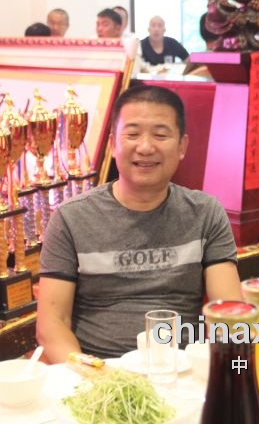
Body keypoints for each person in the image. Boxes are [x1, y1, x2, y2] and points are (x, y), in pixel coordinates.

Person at [36, 85, 243, 363]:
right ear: (113, 145)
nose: (145, 147)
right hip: (98, 369)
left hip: (180, 368)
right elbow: (53, 324)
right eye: (132, 134)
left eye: (160, 135)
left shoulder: (206, 214)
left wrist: (218, 370)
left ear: (182, 146)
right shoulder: (71, 218)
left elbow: (228, 311)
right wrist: (93, 377)